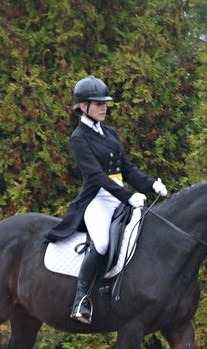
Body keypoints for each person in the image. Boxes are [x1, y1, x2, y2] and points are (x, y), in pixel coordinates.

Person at [46, 75, 168, 324]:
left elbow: (127, 169)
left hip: (121, 196)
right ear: (83, 106)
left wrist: (151, 183)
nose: (104, 107)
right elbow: (96, 176)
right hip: (98, 199)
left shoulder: (109, 132)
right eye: (98, 103)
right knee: (101, 243)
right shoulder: (79, 138)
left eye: (105, 103)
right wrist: (129, 196)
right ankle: (81, 298)